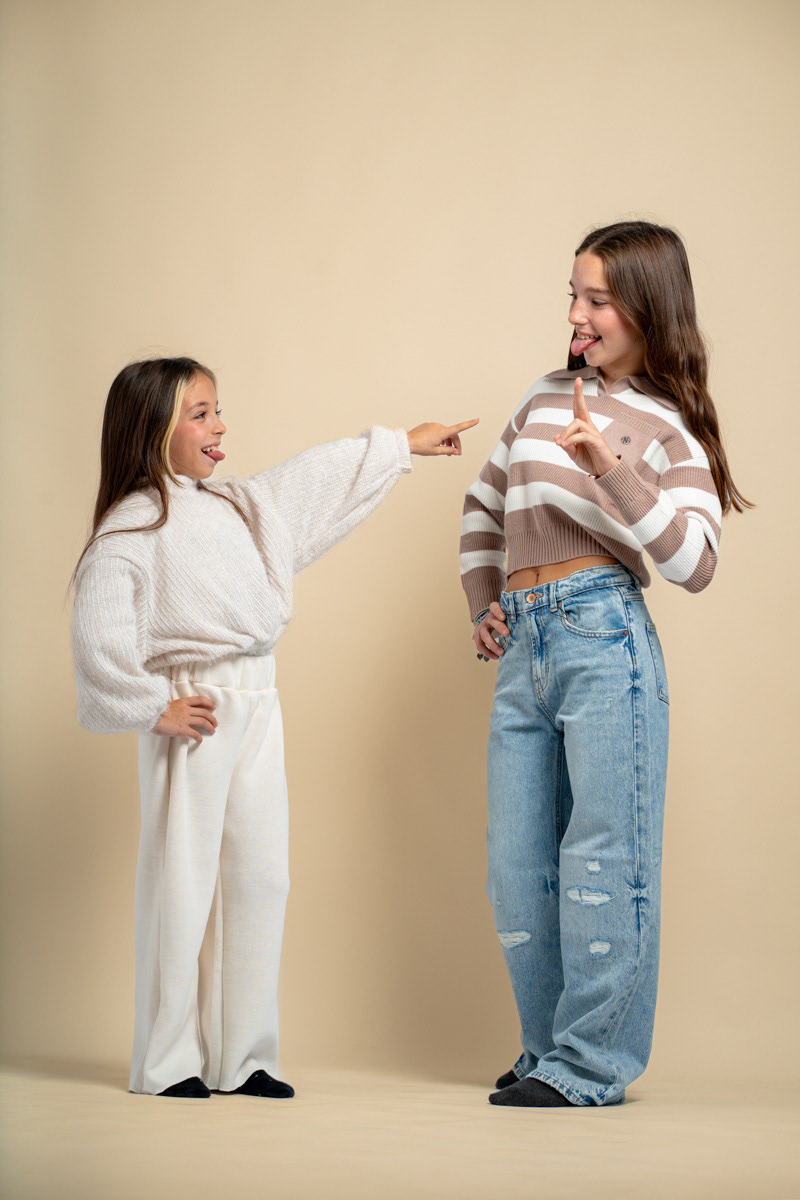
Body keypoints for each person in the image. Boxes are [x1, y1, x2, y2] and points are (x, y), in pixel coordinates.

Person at [71, 356, 477, 1098]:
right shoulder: (130, 529)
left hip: (258, 700)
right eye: (200, 413)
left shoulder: (236, 506)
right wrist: (151, 705)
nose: (219, 425)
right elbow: (97, 641)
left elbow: (307, 482)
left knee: (259, 878)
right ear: (152, 427)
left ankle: (245, 1057)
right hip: (194, 713)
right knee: (183, 882)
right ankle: (168, 1061)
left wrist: (399, 446)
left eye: (217, 409)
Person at [460, 220, 750, 1108]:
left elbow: (695, 563)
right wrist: (483, 598)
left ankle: (590, 1064)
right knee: (518, 865)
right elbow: (484, 503)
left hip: (602, 637)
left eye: (597, 300)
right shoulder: (544, 395)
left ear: (647, 310)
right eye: (573, 296)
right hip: (526, 645)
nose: (576, 316)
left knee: (602, 857)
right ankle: (547, 1048)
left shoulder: (669, 428)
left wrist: (611, 468)